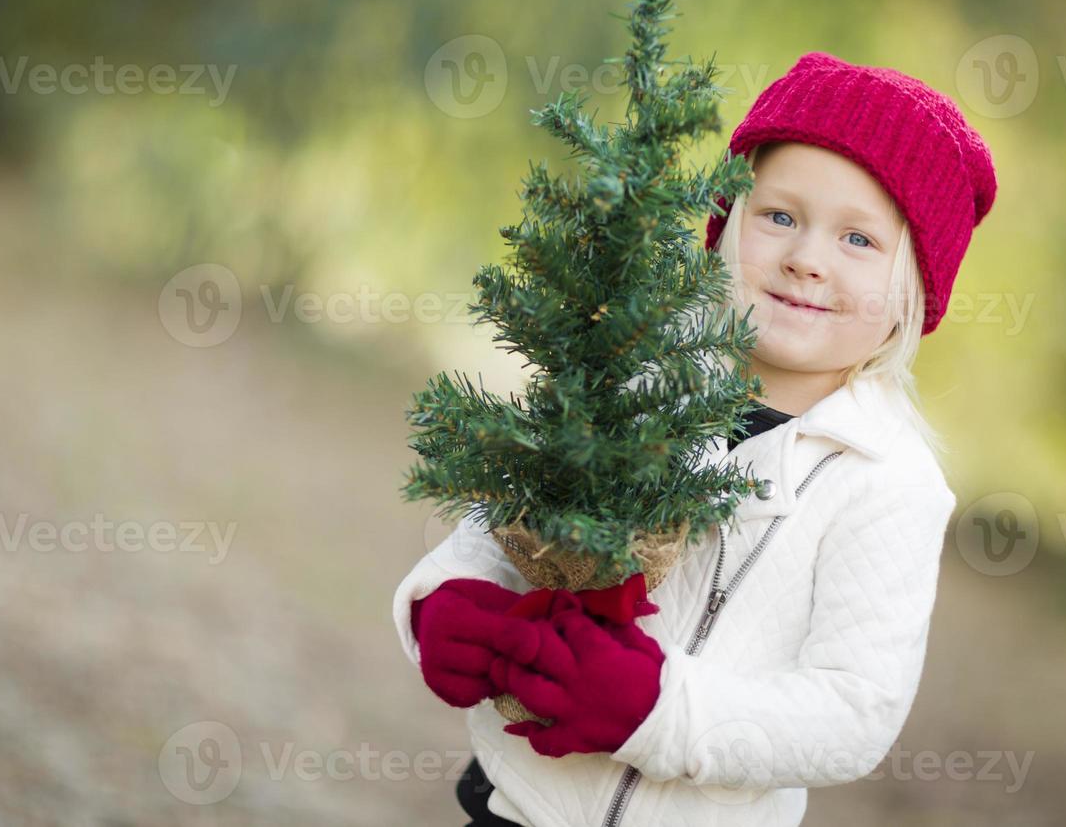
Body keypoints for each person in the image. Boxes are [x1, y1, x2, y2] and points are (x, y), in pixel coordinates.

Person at [392, 50, 998, 827]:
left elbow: (852, 711)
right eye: (779, 217)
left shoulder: (889, 481)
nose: (807, 259)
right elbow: (517, 517)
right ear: (726, 222)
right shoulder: (641, 375)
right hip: (515, 803)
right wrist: (444, 599)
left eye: (859, 240)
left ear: (913, 285)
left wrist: (659, 709)